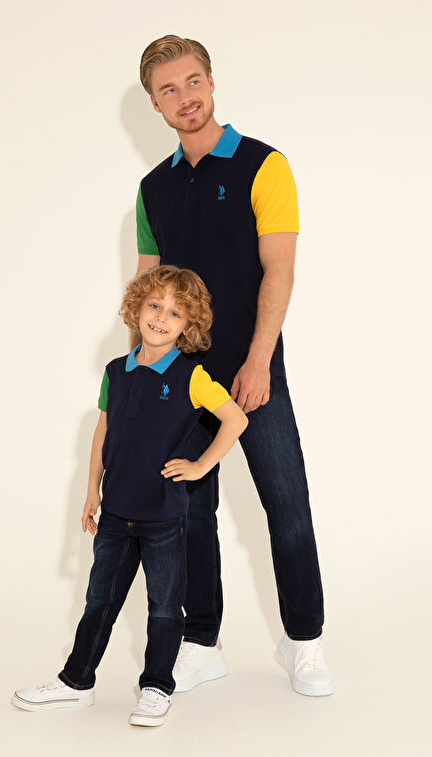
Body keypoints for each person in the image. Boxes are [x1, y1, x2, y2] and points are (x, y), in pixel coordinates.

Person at [134, 34, 334, 696]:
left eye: (192, 81)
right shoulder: (152, 189)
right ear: (155, 104)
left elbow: (280, 268)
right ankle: (201, 643)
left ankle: (303, 642)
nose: (184, 97)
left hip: (253, 368)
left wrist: (257, 360)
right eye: (168, 89)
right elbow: (148, 289)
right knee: (189, 512)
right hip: (181, 378)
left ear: (211, 82)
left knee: (286, 503)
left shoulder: (263, 165)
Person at [12, 265, 248, 725]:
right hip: (116, 515)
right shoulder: (114, 372)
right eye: (154, 305)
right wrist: (91, 491)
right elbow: (103, 431)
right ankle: (75, 682)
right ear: (136, 309)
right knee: (99, 601)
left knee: (165, 608)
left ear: (188, 325)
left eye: (175, 313)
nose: (161, 317)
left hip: (164, 517)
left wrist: (200, 466)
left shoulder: (191, 376)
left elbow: (235, 419)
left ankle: (157, 687)